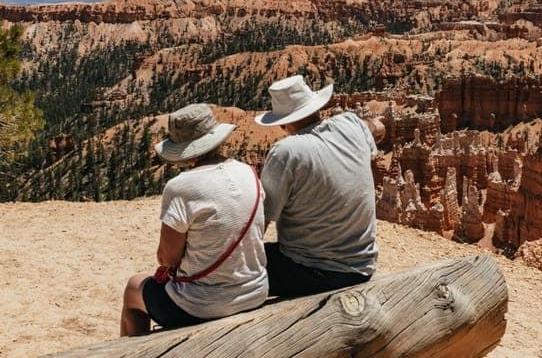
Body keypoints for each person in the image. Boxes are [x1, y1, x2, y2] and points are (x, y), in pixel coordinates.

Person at [120, 104, 268, 335]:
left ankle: (139, 349)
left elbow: (168, 258)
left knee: (133, 288)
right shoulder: (249, 172)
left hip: (202, 305)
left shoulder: (180, 186)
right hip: (255, 291)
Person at [255, 75, 384, 297]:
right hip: (363, 265)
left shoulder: (286, 151)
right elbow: (374, 127)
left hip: (313, 271)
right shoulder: (351, 123)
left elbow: (262, 220)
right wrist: (380, 126)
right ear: (316, 106)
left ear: (282, 123)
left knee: (229, 276)